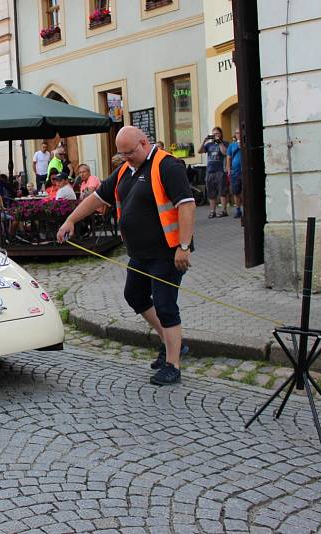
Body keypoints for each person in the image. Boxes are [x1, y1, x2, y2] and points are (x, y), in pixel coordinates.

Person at [56, 126, 196, 386]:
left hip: (167, 253)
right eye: (122, 154)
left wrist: (183, 247)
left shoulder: (167, 166)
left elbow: (186, 205)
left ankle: (173, 365)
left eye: (130, 153)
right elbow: (97, 198)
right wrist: (70, 220)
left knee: (166, 305)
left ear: (144, 143)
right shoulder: (124, 171)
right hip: (139, 253)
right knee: (135, 296)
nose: (126, 158)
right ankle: (172, 342)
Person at [199, 126, 229, 218]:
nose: (215, 135)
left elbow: (225, 152)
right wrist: (204, 141)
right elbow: (200, 151)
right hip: (209, 171)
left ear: (221, 134)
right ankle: (212, 211)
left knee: (222, 191)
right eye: (213, 134)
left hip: (220, 171)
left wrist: (219, 142)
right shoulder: (209, 145)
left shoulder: (225, 143)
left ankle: (224, 210)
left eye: (217, 133)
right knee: (211, 192)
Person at [226, 128, 243, 218]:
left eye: (240, 133)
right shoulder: (232, 146)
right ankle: (238, 210)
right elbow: (228, 158)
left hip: (245, 172)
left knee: (245, 191)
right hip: (235, 172)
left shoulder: (245, 143)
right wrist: (229, 170)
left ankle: (247, 209)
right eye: (237, 133)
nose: (238, 134)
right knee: (236, 192)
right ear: (235, 135)